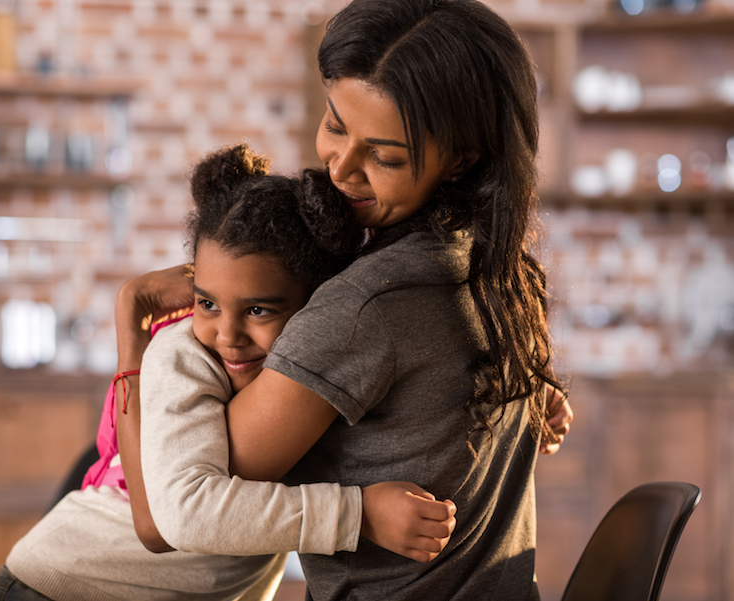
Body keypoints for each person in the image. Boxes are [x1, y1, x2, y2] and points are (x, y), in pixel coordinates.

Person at [114, 0, 574, 599]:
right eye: (335, 126)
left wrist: (132, 326)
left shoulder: (362, 309)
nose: (341, 170)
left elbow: (165, 518)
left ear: (463, 159)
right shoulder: (498, 272)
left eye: (384, 156)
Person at [0, 144, 456, 601]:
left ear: (316, 307)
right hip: (64, 588)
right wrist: (359, 514)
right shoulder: (182, 354)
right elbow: (175, 519)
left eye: (257, 310)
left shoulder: (313, 366)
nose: (226, 334)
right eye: (207, 303)